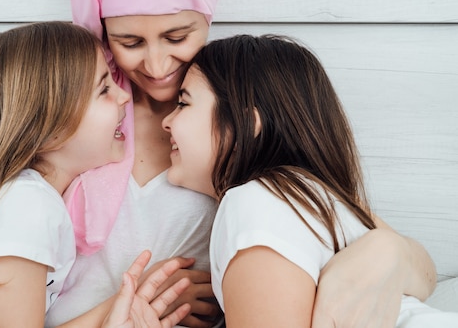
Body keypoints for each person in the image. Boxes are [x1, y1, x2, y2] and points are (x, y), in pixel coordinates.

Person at [0, 0, 438, 327]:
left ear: (207, 16)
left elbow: (373, 236)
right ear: (102, 32)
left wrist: (382, 254)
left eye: (179, 36)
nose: (156, 65)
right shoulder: (73, 111)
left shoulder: (226, 114)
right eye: (128, 42)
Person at [0, 21, 194, 328]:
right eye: (104, 89)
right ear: (49, 129)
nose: (124, 96)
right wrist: (122, 306)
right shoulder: (31, 206)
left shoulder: (18, 199)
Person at [162, 34, 458, 327]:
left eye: (183, 104)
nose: (166, 121)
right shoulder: (309, 197)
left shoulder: (256, 201)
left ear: (243, 126)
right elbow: (424, 272)